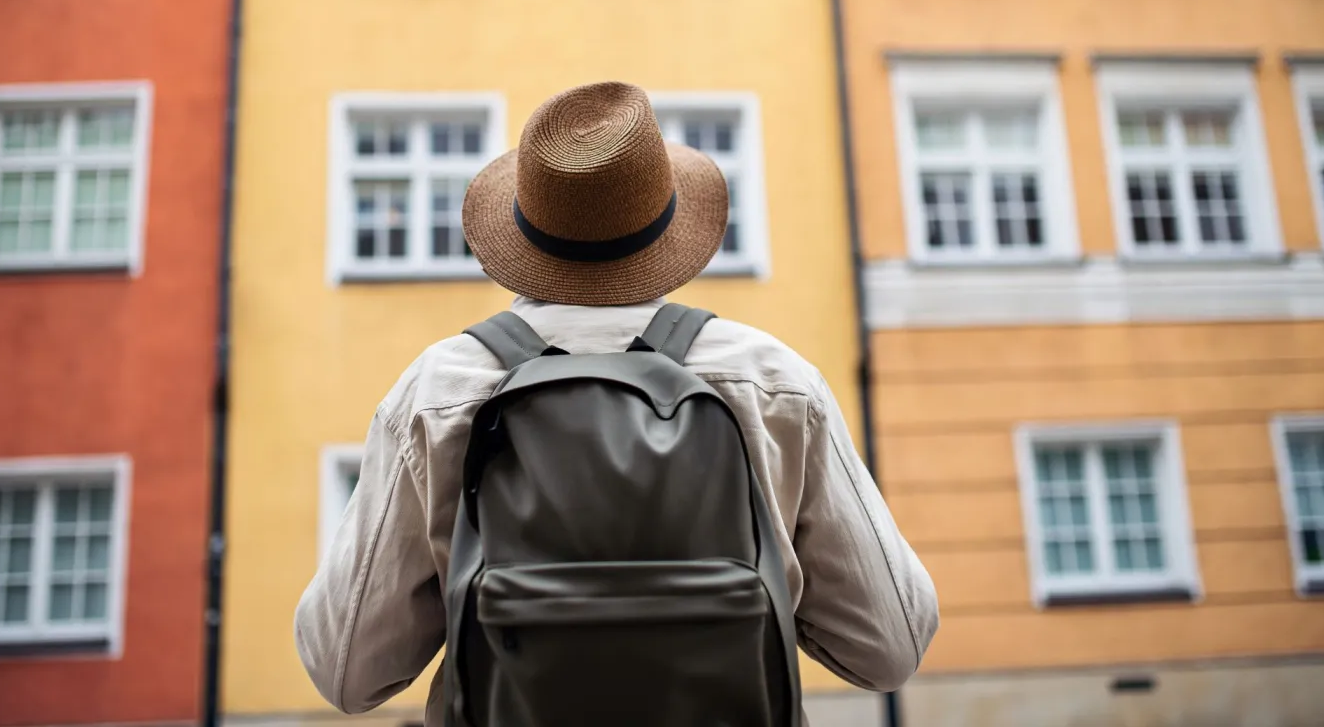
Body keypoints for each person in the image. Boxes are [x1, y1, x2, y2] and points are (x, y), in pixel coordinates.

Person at [295, 81, 939, 725]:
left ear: (525, 235)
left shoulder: (437, 392)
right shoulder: (771, 380)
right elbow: (891, 645)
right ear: (665, 229)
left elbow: (346, 670)